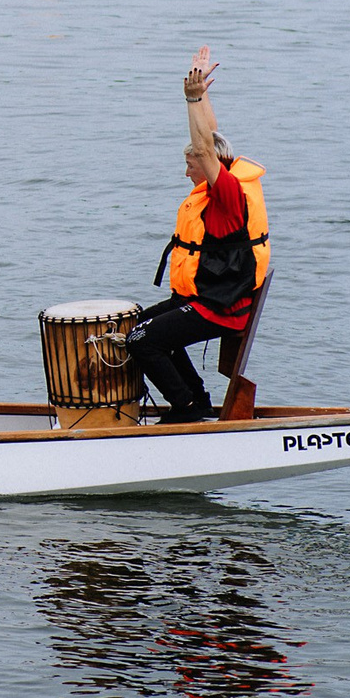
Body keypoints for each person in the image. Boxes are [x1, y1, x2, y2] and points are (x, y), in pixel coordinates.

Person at [127, 45, 269, 423]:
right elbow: (211, 138)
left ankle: (186, 410)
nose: (186, 171)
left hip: (220, 308)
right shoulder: (224, 178)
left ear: (208, 166)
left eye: (189, 164)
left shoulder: (227, 193)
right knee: (138, 323)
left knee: (142, 341)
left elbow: (206, 148)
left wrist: (190, 99)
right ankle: (198, 401)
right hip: (207, 296)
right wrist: (202, 93)